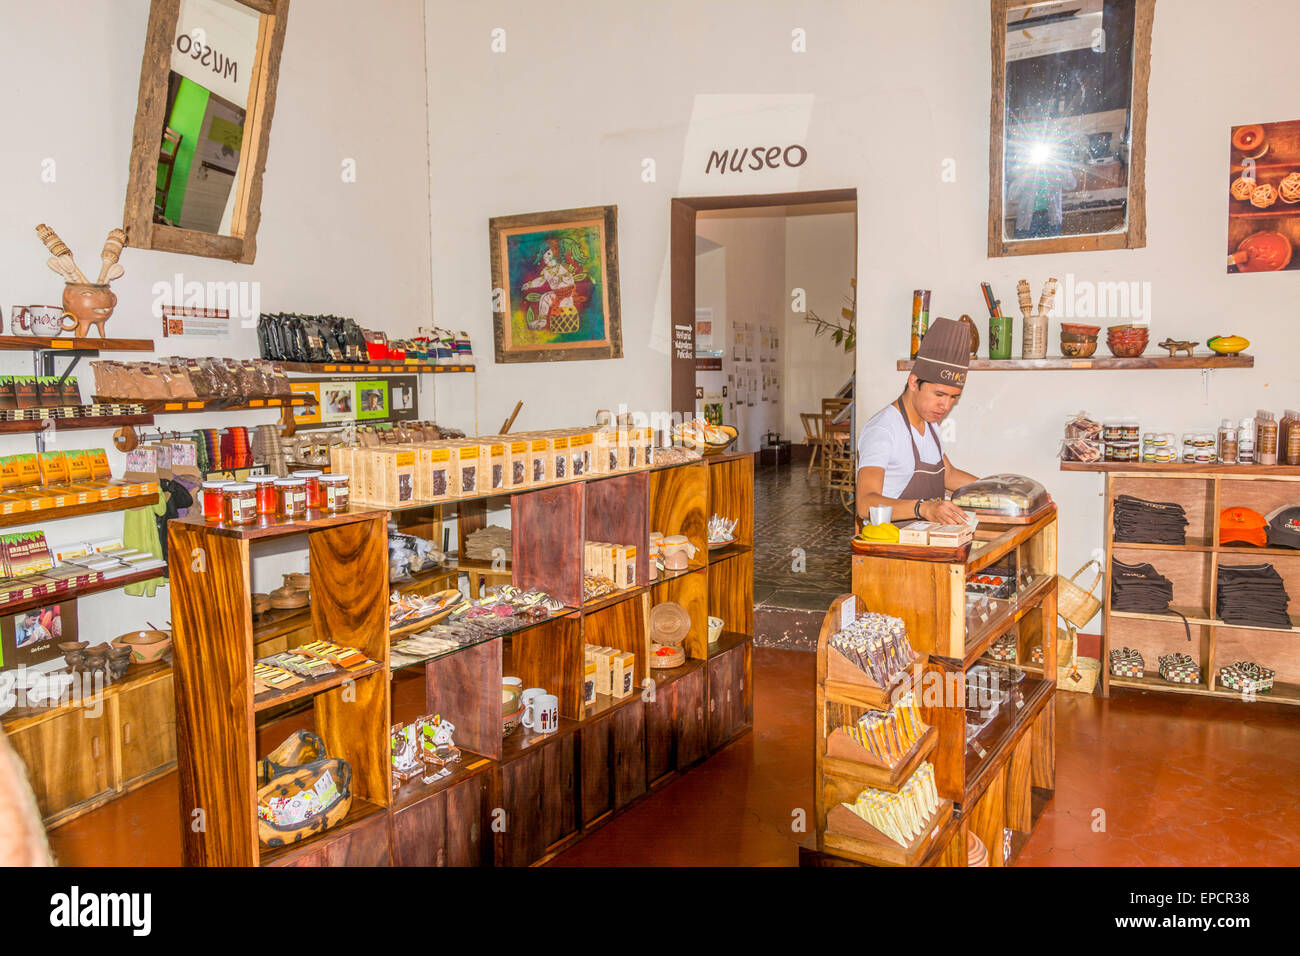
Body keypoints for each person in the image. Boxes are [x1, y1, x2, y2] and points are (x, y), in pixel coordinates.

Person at [856, 317, 978, 525]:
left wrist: (1000, 491)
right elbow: (865, 503)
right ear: (914, 382)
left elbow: (948, 474)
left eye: (953, 397)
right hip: (890, 544)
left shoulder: (929, 423)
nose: (946, 406)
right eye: (939, 395)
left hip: (926, 539)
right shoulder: (883, 429)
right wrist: (923, 508)